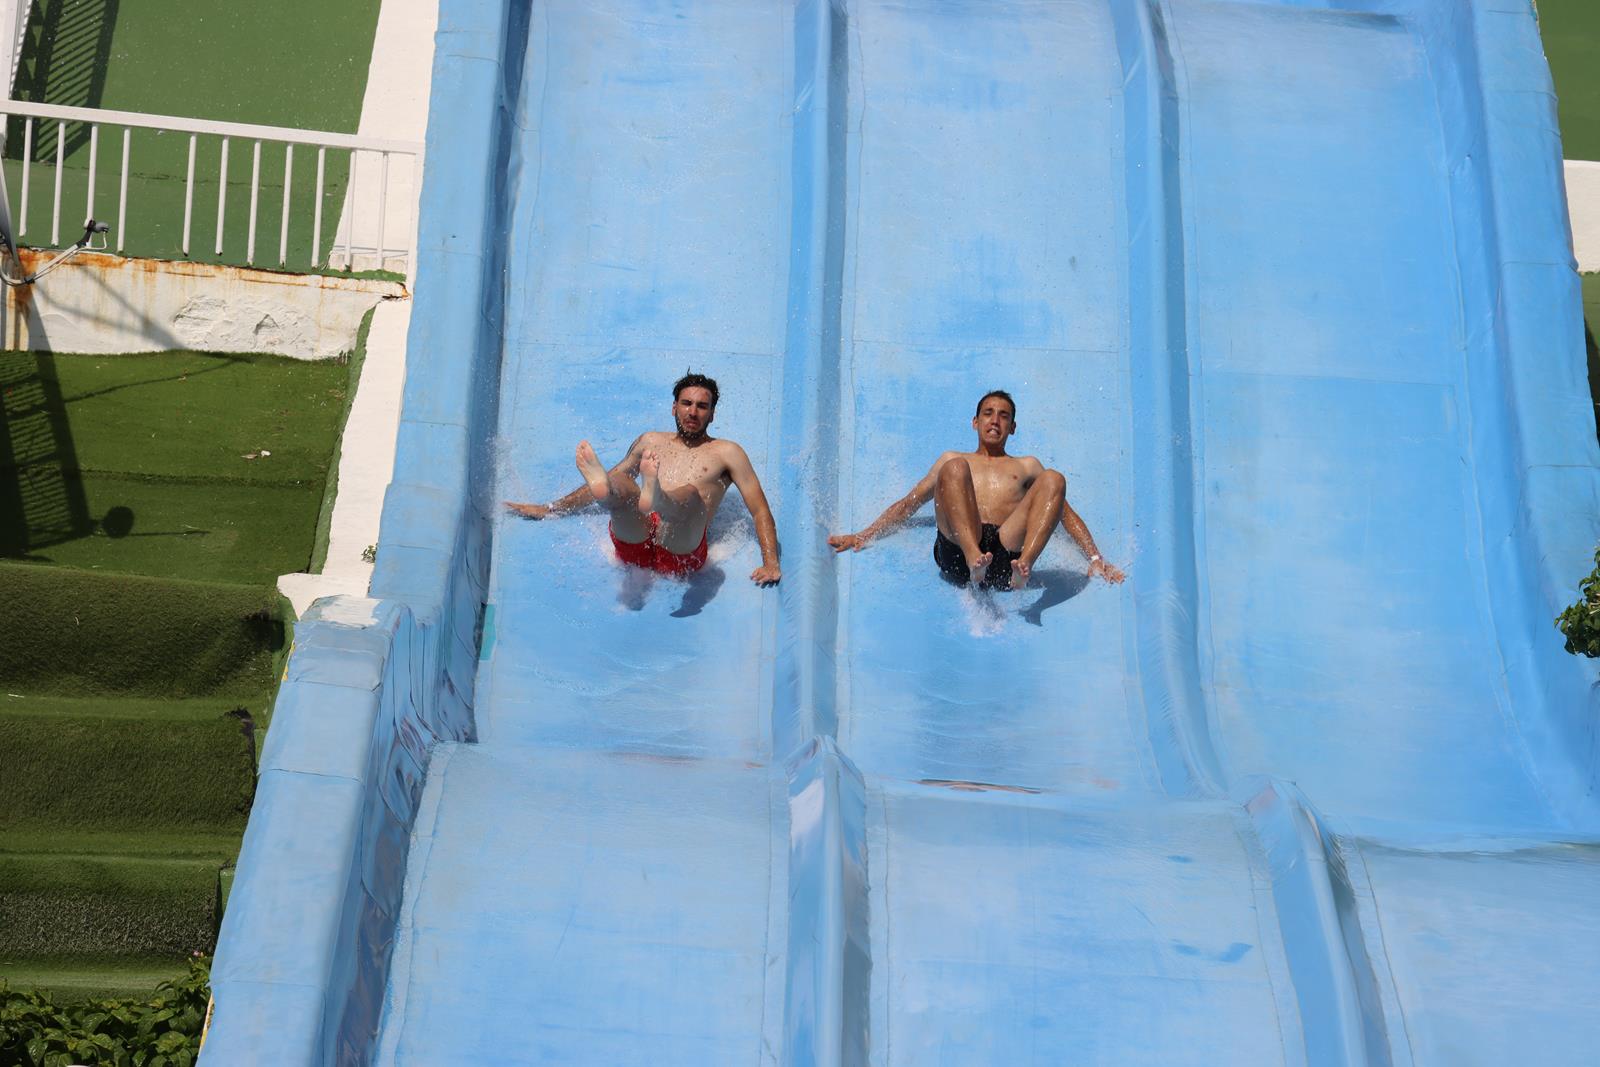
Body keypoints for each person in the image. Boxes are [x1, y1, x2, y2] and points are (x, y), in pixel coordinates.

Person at [828, 390, 1125, 590]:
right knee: (954, 467)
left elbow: (1063, 513)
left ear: (1013, 427)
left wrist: (1096, 559)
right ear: (975, 422)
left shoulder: (1026, 466)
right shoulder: (953, 460)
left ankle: (1025, 566)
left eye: (1004, 416)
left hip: (1005, 559)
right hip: (959, 552)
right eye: (988, 413)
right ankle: (973, 557)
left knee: (1054, 479)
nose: (995, 420)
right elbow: (910, 503)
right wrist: (865, 535)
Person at [505, 373, 782, 586]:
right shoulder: (651, 441)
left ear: (712, 414)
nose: (692, 412)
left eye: (702, 406)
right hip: (636, 543)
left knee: (690, 494)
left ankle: (658, 497)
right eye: (686, 403)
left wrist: (771, 563)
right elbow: (610, 480)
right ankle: (643, 496)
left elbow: (759, 510)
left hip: (681, 553)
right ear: (674, 407)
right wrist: (550, 508)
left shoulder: (728, 452)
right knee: (619, 483)